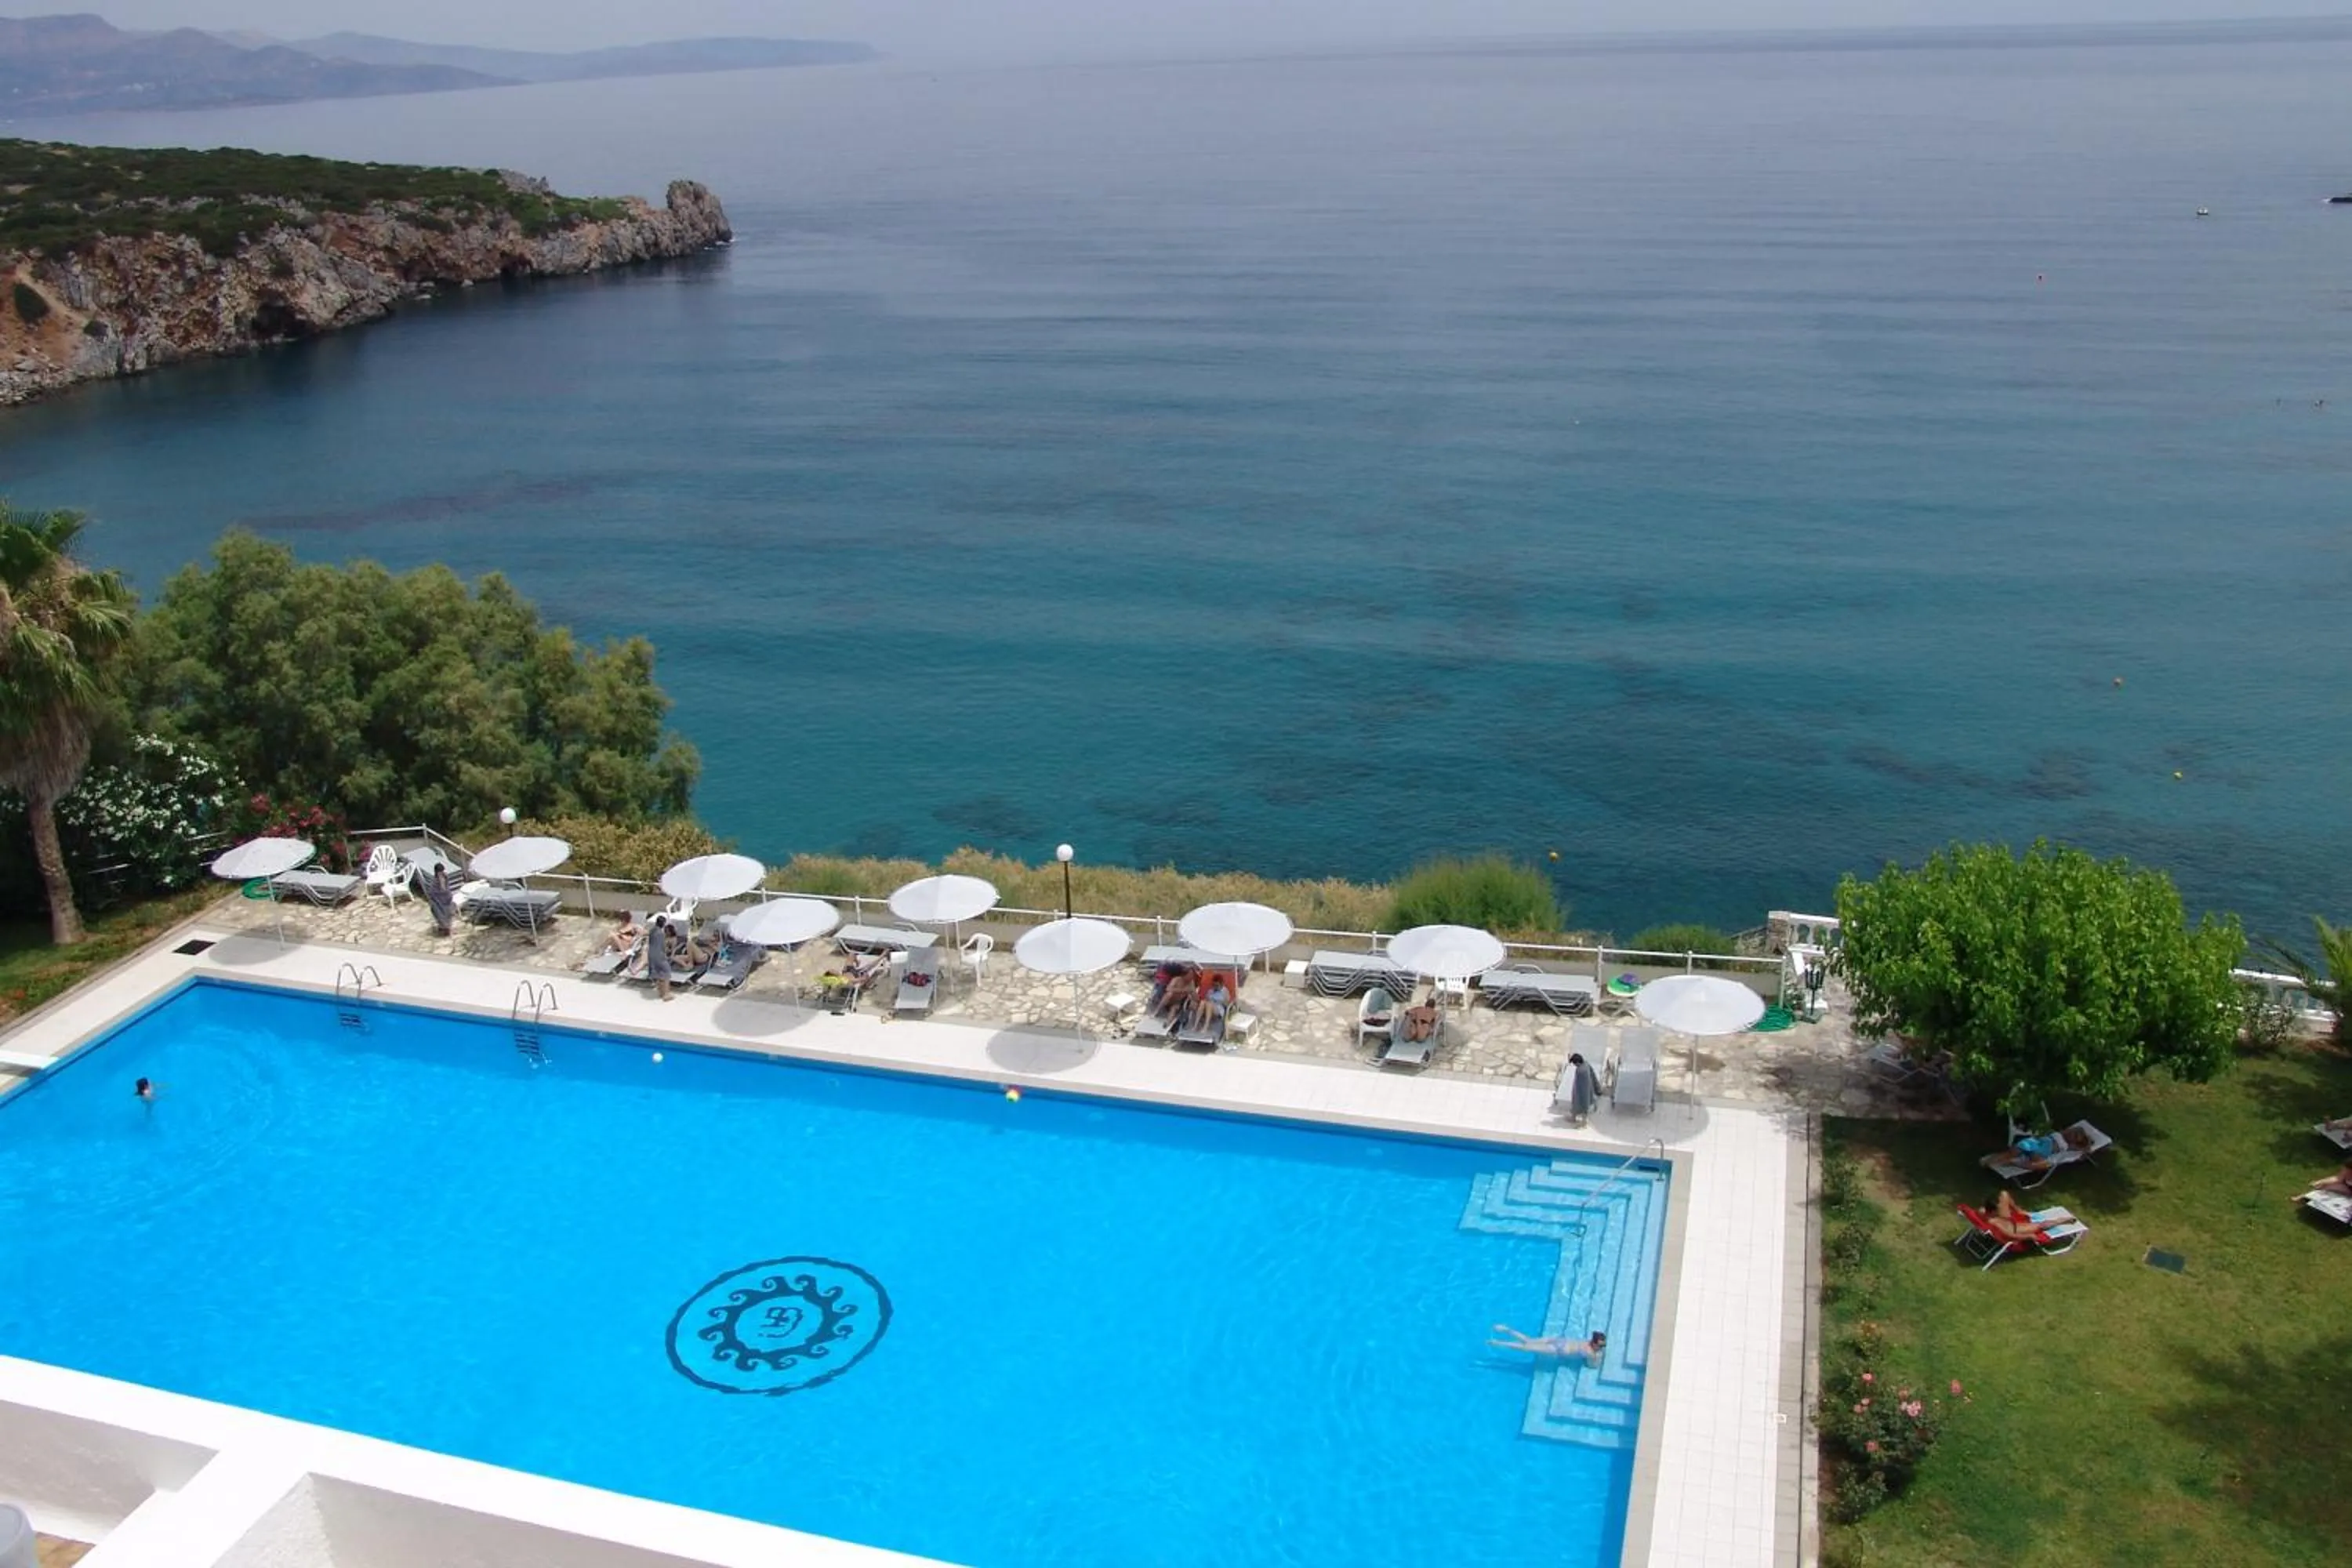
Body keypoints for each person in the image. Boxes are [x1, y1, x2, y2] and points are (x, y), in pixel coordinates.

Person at [1490, 1325, 1606, 1366]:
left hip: (1559, 1341)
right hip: (1557, 1349)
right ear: (1595, 1344)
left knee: (1528, 1340)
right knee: (1526, 1348)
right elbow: (1591, 1365)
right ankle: (1499, 1343)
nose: (1601, 1348)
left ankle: (1506, 1330)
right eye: (1600, 1346)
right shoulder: (1590, 1352)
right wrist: (1597, 1358)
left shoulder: (1586, 1341)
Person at [1565, 1052, 1601, 1125]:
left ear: (1578, 1062)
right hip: (1587, 1090)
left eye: (1575, 1064)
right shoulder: (1586, 1064)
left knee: (1582, 1105)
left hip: (1582, 1092)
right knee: (1580, 1105)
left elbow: (1582, 1086)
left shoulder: (1581, 1071)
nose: (1575, 1065)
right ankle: (1574, 1118)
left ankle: (1583, 1122)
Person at [646, 914, 676, 1001]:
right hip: (659, 955)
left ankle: (661, 992)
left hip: (651, 954)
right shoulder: (661, 934)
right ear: (663, 923)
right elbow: (662, 947)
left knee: (659, 974)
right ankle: (666, 994)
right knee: (666, 972)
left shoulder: (652, 931)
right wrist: (667, 953)